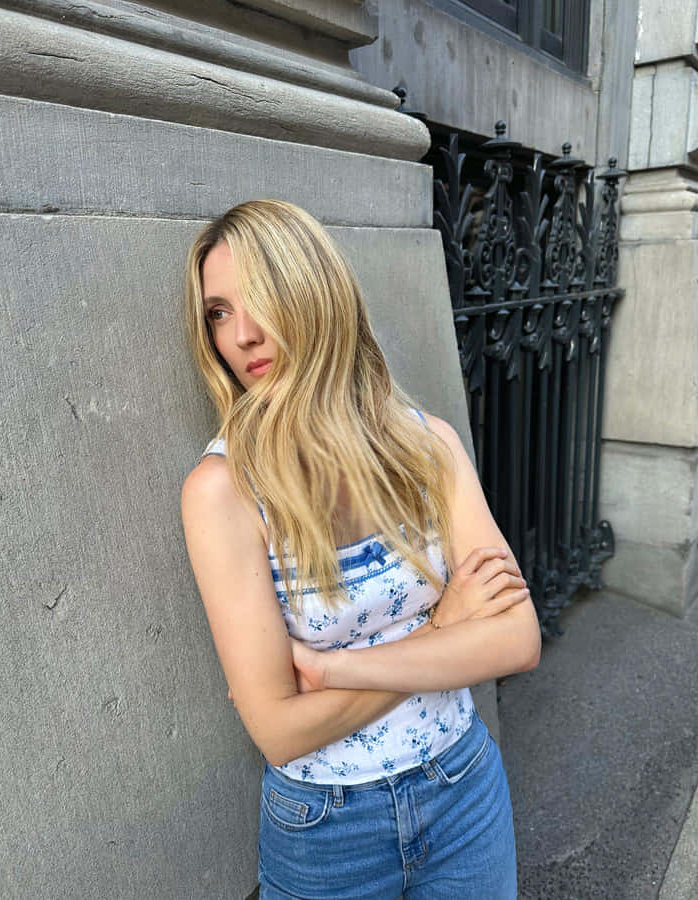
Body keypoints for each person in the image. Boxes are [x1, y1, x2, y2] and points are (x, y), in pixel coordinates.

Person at [180, 198, 541, 899]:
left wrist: (330, 670)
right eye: (219, 312)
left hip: (464, 789)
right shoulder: (224, 490)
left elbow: (517, 638)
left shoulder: (426, 446)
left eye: (260, 298)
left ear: (315, 294)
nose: (242, 335)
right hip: (326, 831)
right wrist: (442, 629)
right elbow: (280, 731)